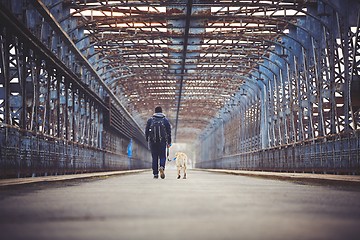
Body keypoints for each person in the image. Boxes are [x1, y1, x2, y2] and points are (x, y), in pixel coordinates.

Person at [145, 106, 171, 179]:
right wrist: (169, 142)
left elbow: (146, 131)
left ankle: (155, 174)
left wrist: (147, 139)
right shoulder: (165, 120)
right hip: (162, 141)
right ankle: (162, 167)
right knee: (162, 156)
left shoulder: (150, 120)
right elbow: (169, 132)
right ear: (161, 112)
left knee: (154, 157)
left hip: (153, 142)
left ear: (155, 112)